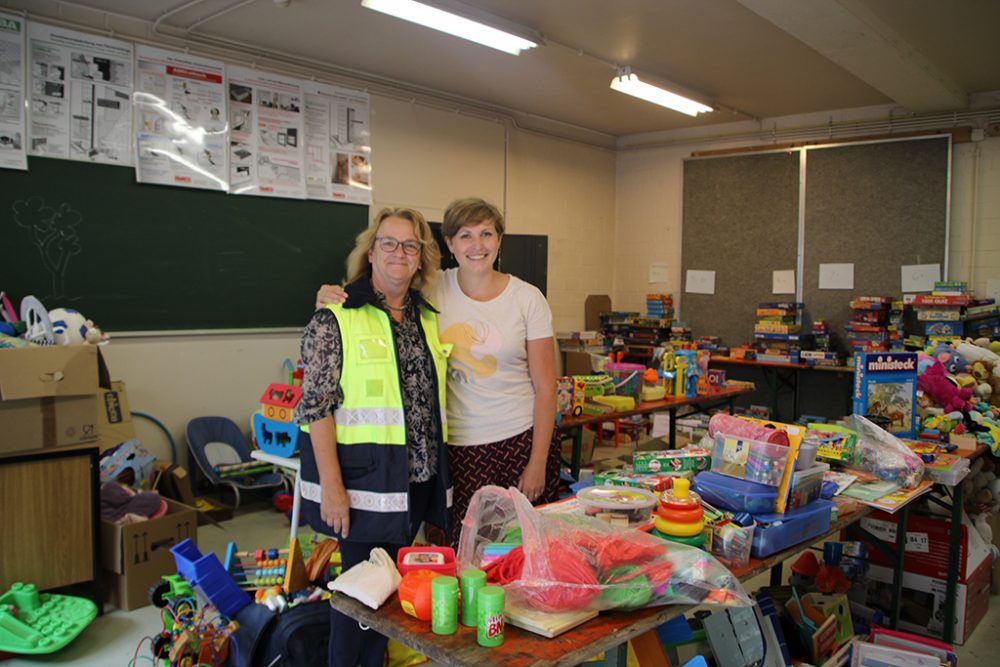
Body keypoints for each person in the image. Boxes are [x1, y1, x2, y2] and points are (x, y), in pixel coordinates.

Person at [317, 197, 561, 548]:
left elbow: (546, 386)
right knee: (461, 553)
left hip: (519, 441)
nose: (477, 246)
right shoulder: (431, 289)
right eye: (465, 236)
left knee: (521, 552)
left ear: (500, 239)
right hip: (455, 451)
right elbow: (381, 287)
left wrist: (538, 461)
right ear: (448, 243)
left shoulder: (528, 298)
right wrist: (330, 295)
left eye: (486, 234)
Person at [295, 207, 452, 667]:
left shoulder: (426, 318)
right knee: (357, 606)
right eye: (389, 242)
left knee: (388, 605)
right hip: (365, 488)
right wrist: (332, 488)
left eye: (410, 245)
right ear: (371, 252)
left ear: (422, 258)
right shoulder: (336, 317)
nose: (399, 253)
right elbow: (315, 408)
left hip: (416, 486)